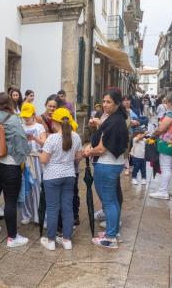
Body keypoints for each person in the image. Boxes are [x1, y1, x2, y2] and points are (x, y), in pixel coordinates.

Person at [0, 92, 31, 247]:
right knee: (10, 200)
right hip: (9, 164)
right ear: (10, 103)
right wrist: (24, 154)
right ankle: (12, 237)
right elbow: (21, 141)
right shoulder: (14, 120)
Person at [84, 88, 128, 249]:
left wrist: (88, 151)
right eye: (103, 101)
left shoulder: (115, 121)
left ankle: (110, 238)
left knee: (108, 201)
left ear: (117, 103)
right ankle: (113, 232)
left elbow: (102, 149)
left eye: (108, 101)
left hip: (107, 165)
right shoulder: (116, 118)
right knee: (113, 200)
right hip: (112, 164)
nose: (105, 104)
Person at [39, 108, 83, 251]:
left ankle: (51, 241)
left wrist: (40, 153)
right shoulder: (76, 136)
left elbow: (44, 160)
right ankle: (67, 240)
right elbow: (78, 157)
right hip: (69, 175)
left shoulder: (51, 138)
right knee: (67, 208)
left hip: (52, 176)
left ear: (54, 122)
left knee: (52, 209)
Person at [19, 103, 46, 225]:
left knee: (37, 187)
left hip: (36, 160)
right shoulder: (20, 126)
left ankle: (38, 215)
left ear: (34, 114)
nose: (25, 119)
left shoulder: (39, 127)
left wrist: (34, 139)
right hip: (24, 160)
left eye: (28, 116)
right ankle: (26, 214)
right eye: (24, 116)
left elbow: (44, 144)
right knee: (25, 187)